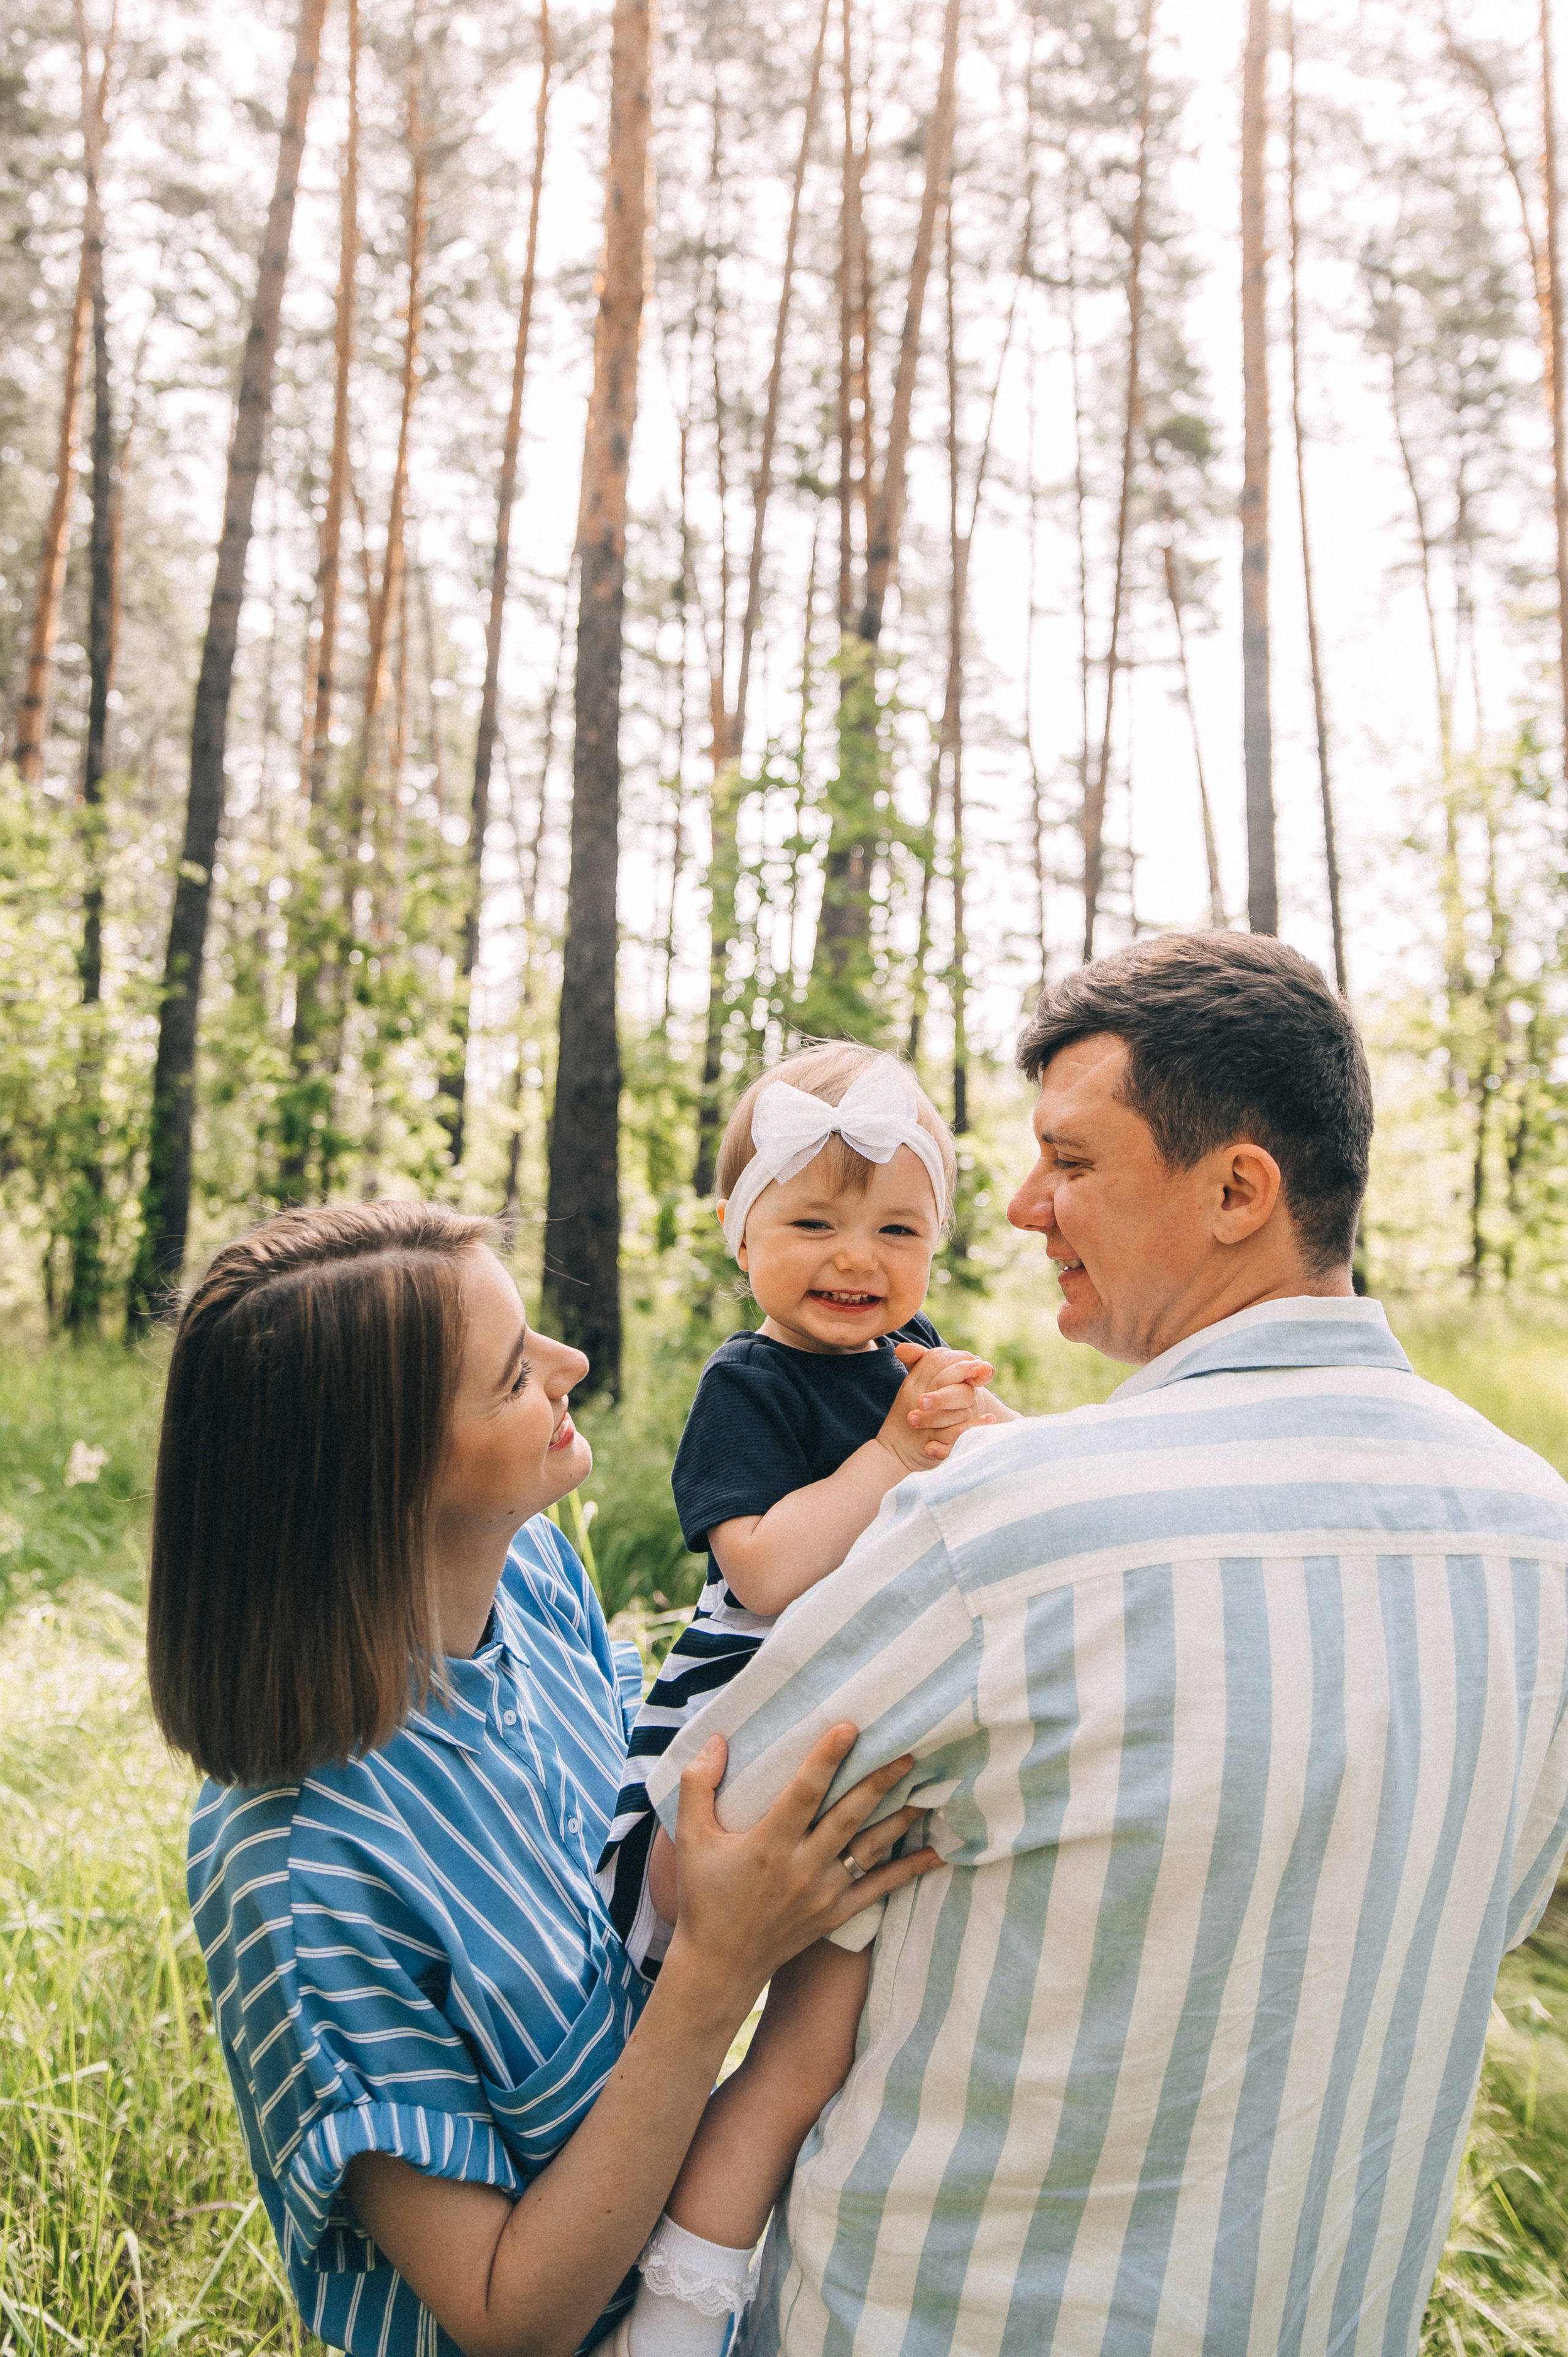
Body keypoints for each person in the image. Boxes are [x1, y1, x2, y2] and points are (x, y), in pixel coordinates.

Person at [646, 932, 1568, 2357]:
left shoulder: (1005, 1521)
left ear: (1237, 1191)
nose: (1021, 1206)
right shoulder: (1538, 1535)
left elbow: (695, 1860)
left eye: (1068, 1161)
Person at [145, 1200, 941, 2357]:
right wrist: (722, 1968)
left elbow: (645, 1849)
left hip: (699, 2275)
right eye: (516, 1374)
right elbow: (512, 2317)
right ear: (384, 1473)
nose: (572, 1367)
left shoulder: (531, 1579)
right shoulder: (303, 1868)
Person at [595, 1046, 1014, 2352]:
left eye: (897, 1228)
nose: (857, 1258)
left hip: (863, 1718)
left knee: (809, 2060)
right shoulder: (750, 1385)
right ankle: (663, 2320)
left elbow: (1017, 1473)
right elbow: (766, 1570)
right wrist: (893, 1451)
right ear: (741, 1237)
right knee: (709, 2043)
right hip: (746, 1725)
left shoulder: (918, 1358)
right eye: (815, 1223)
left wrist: (1003, 1438)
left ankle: (713, 2306)